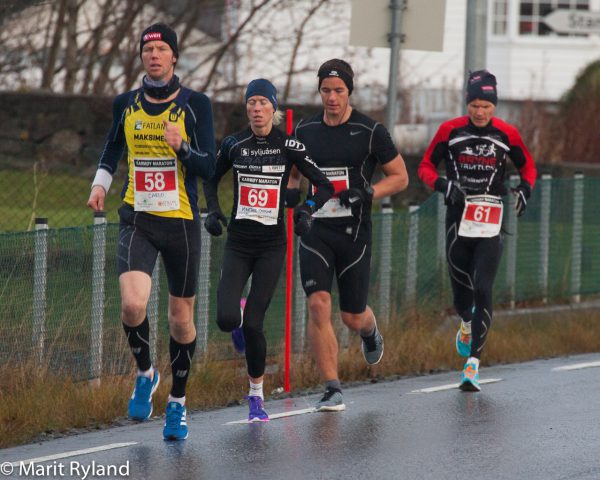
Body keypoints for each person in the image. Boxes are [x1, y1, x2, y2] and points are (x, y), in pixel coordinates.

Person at [86, 23, 216, 440]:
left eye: (162, 49)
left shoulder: (197, 104)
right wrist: (99, 186)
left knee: (181, 322)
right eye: (148, 50)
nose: (154, 55)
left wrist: (182, 148)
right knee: (131, 305)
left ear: (174, 56)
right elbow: (112, 148)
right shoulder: (125, 103)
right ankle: (146, 373)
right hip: (137, 218)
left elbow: (210, 166)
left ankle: (177, 403)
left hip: (180, 222)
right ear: (142, 57)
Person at [203, 79, 333, 422]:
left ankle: (256, 396)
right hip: (239, 243)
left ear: (273, 109)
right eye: (251, 103)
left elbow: (324, 184)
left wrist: (307, 209)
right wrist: (212, 210)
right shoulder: (234, 144)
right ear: (246, 108)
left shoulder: (288, 144)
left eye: (263, 102)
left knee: (255, 325)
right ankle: (238, 314)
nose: (257, 108)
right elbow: (210, 178)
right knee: (227, 318)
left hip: (271, 247)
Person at [288, 59, 409, 411]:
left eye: (338, 91)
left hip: (354, 233)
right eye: (326, 90)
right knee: (317, 304)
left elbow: (400, 177)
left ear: (349, 92)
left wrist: (368, 192)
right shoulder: (306, 131)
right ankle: (332, 387)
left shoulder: (370, 131)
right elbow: (294, 174)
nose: (332, 97)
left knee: (351, 316)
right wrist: (293, 200)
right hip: (317, 230)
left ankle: (369, 331)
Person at [418, 70, 537, 391]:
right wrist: (442, 184)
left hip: (490, 220)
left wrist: (527, 186)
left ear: (494, 106)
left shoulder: (507, 134)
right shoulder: (449, 131)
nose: (480, 112)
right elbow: (425, 166)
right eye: (474, 105)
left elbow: (528, 165)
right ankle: (466, 323)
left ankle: (473, 365)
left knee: (483, 288)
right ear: (467, 104)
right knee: (461, 296)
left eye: (486, 106)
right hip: (458, 219)